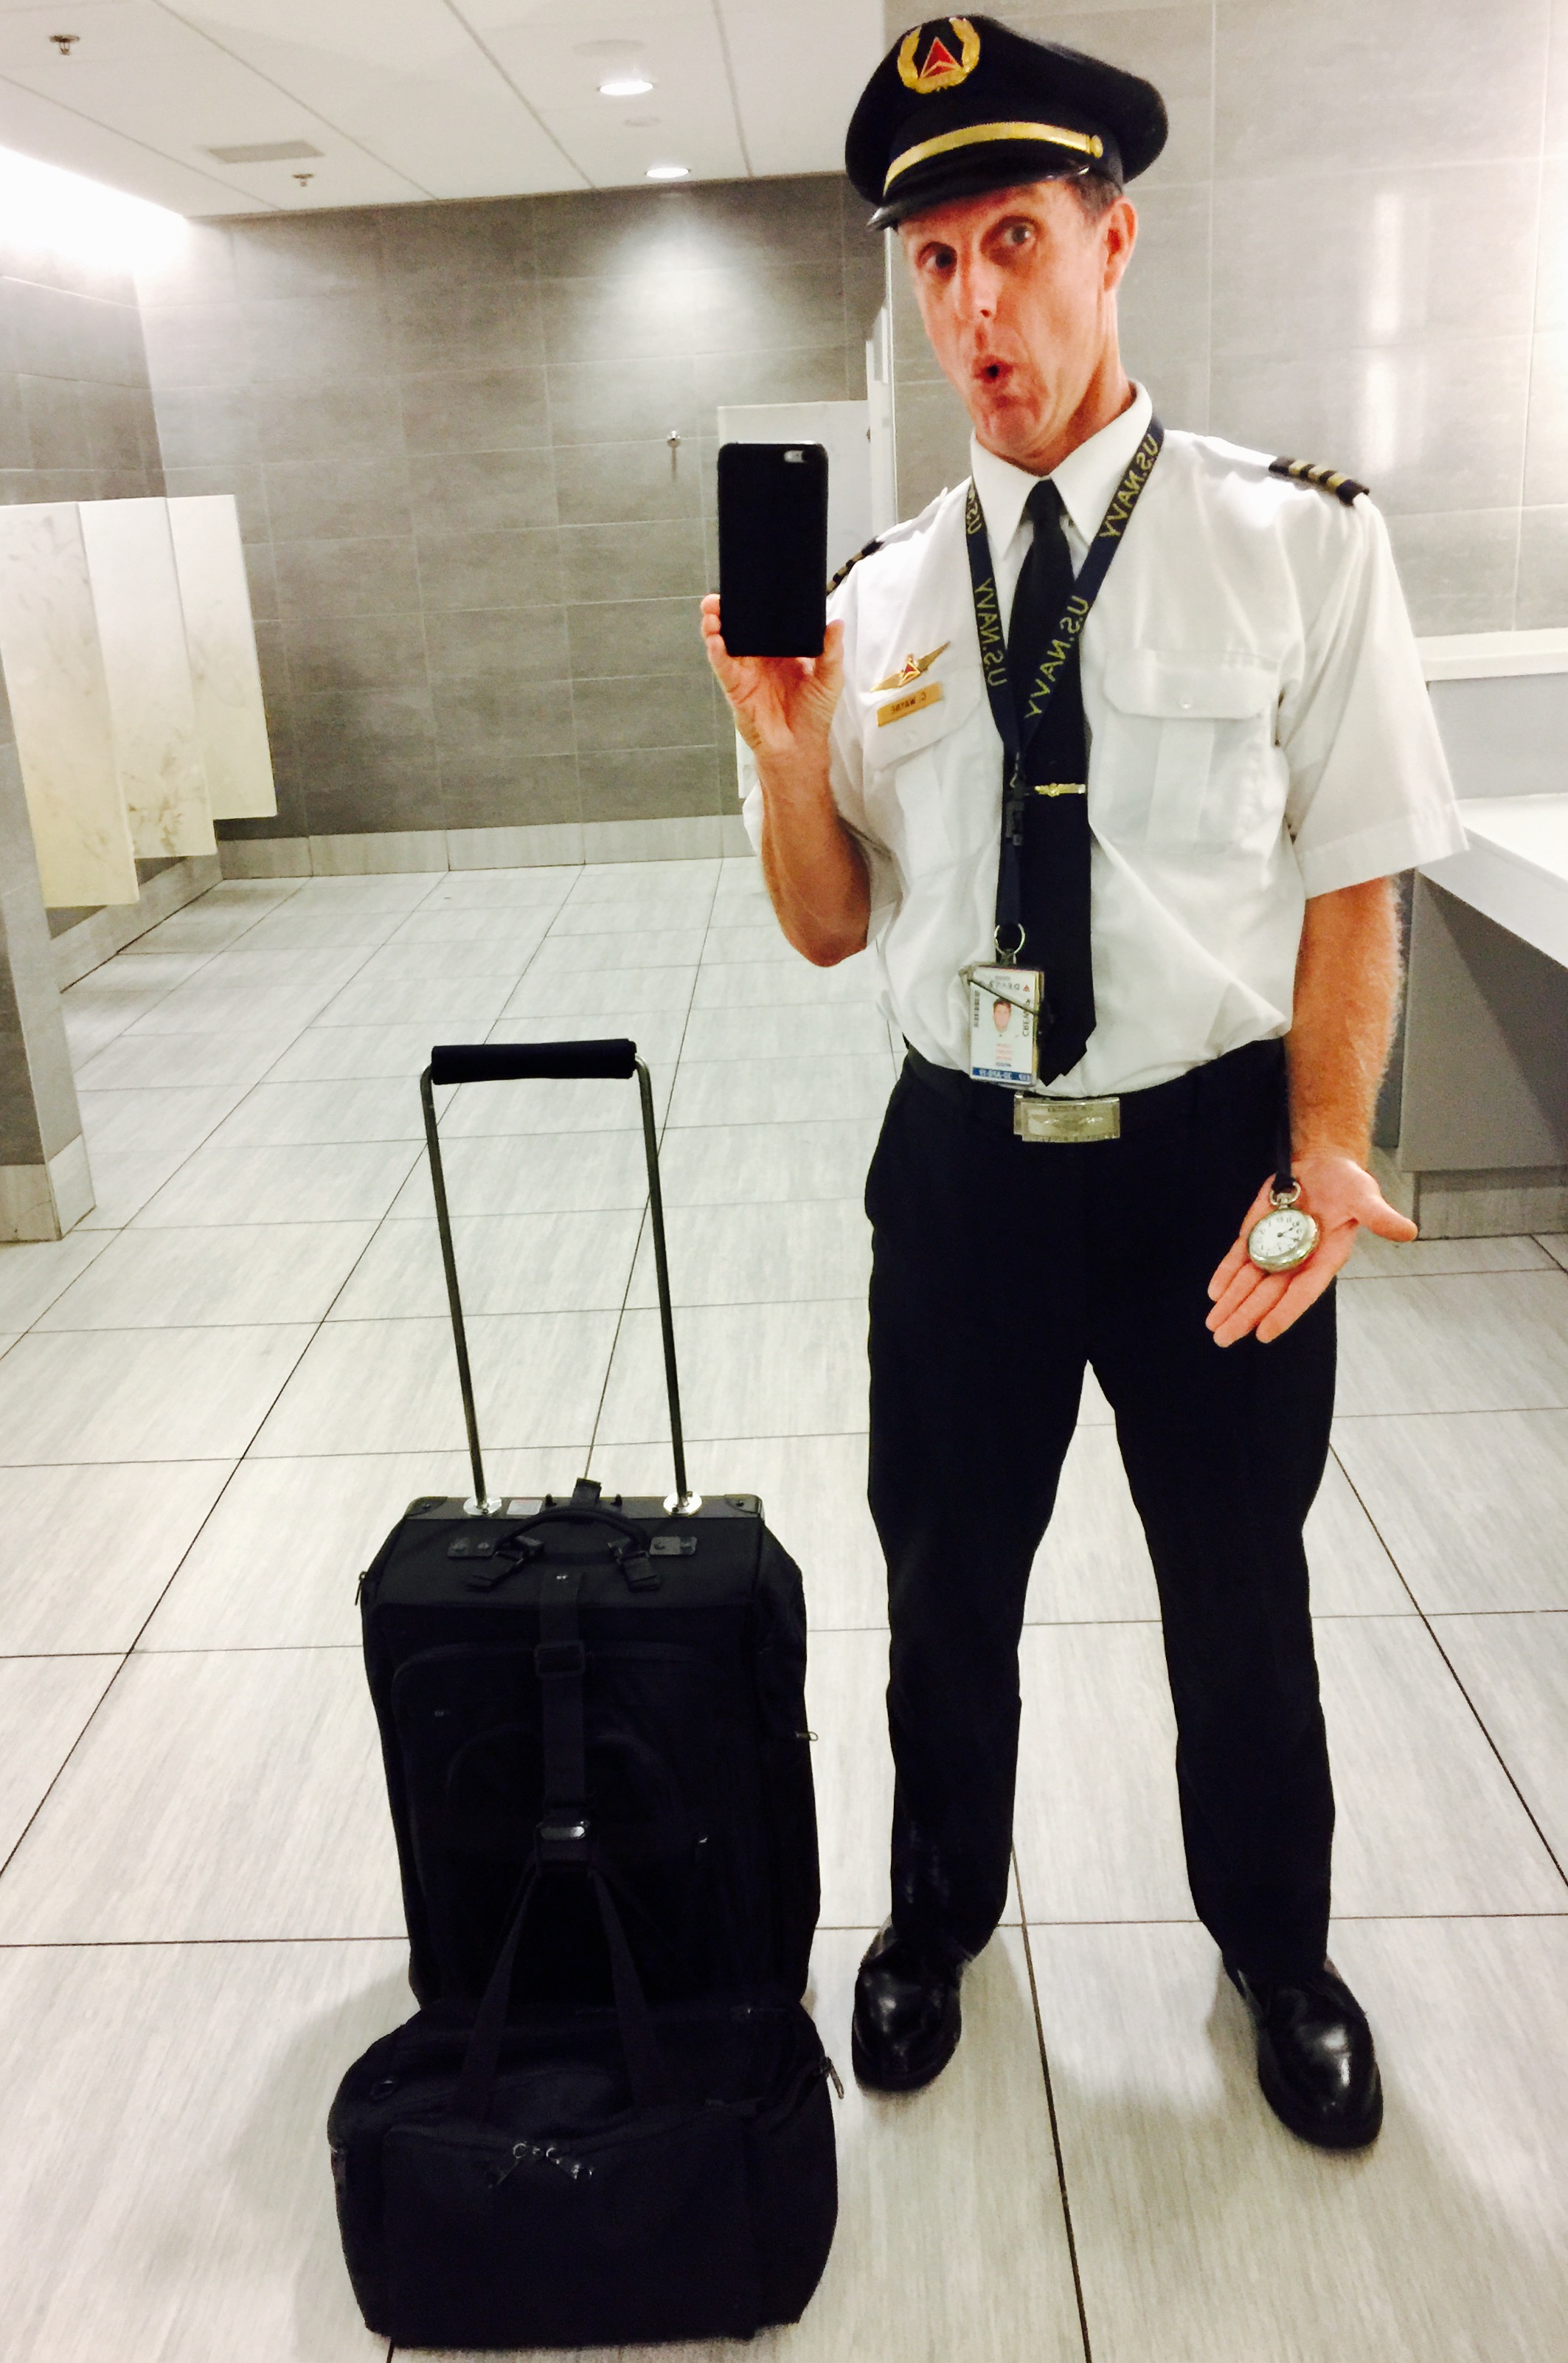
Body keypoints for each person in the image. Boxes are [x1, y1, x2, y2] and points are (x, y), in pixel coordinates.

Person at [702, 14, 1465, 2152]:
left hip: (1211, 1162)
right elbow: (828, 925)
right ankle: (939, 1914)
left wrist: (1327, 1148)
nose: (976, 307)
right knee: (945, 1586)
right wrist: (784, 748)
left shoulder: (1297, 545)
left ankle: (1278, 1949)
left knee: (1241, 1590)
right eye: (934, 262)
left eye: (1015, 242)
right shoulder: (874, 600)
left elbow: (1354, 886)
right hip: (963, 1176)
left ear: (1113, 243)